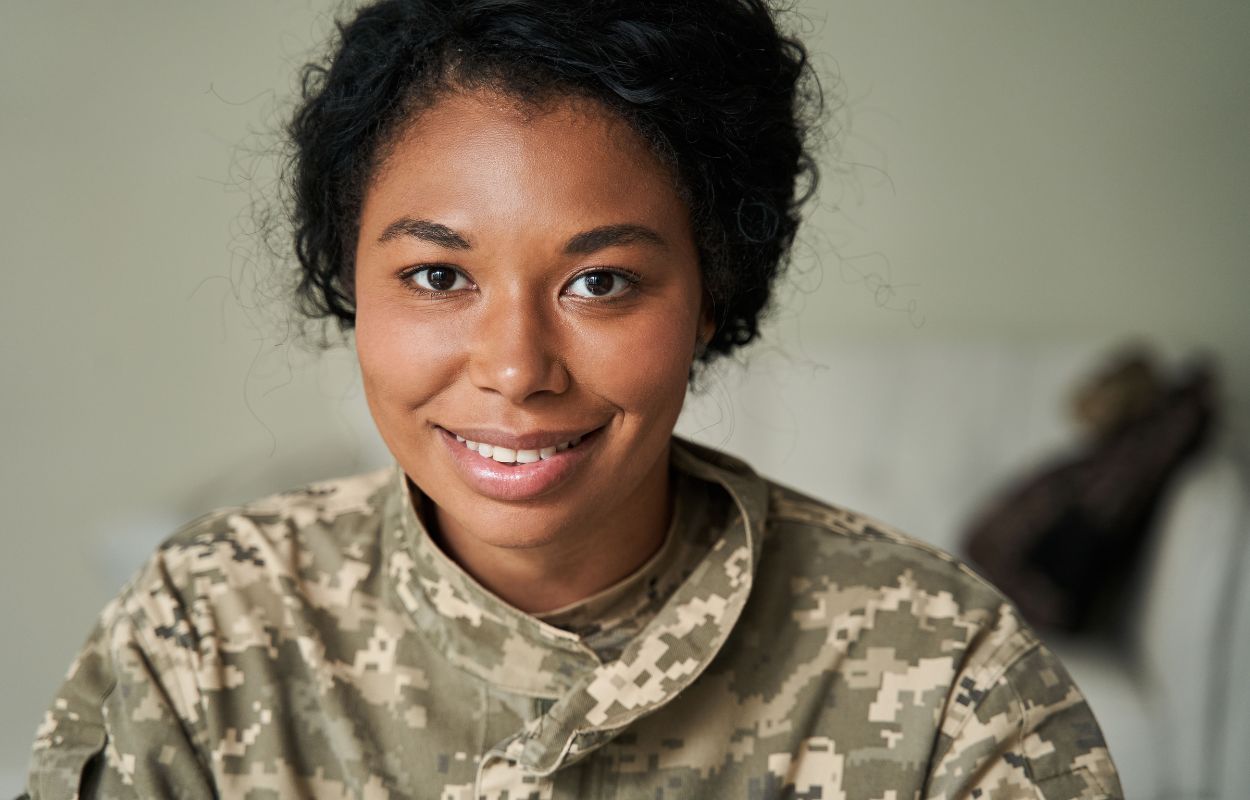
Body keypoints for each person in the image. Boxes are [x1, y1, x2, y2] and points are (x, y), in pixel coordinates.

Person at [25, 1, 1123, 797]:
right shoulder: (206, 626)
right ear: (348, 280)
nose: (514, 367)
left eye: (599, 281)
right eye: (437, 275)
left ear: (709, 293)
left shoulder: (945, 670)